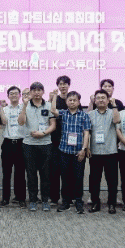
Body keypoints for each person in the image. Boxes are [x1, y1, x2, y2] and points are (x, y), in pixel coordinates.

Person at [18, 82, 56, 211]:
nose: (37, 92)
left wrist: (43, 133)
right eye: (34, 90)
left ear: (43, 92)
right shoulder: (24, 105)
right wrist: (24, 105)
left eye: (39, 90)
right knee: (31, 174)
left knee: (46, 174)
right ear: (30, 92)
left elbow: (53, 125)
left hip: (45, 144)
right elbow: (21, 122)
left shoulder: (49, 105)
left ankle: (45, 200)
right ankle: (33, 200)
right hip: (29, 144)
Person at [51, 91, 91, 214]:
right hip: (64, 151)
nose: (72, 102)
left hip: (78, 152)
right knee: (65, 178)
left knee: (78, 178)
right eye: (70, 100)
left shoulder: (84, 115)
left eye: (75, 100)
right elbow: (53, 110)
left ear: (79, 102)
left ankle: (78, 202)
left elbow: (86, 133)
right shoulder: (63, 113)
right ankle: (66, 202)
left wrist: (84, 149)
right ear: (66, 102)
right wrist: (54, 97)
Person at [87, 90, 121, 214]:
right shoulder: (90, 114)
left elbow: (117, 121)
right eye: (98, 98)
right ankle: (95, 203)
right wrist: (87, 147)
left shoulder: (113, 112)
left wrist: (114, 105)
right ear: (95, 100)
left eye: (103, 98)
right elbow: (86, 132)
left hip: (110, 151)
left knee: (112, 180)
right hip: (95, 152)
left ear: (108, 100)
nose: (101, 100)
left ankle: (112, 203)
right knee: (94, 180)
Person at [0, 86, 27, 208]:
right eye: (11, 93)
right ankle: (5, 199)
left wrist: (25, 105)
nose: (14, 95)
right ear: (8, 96)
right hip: (7, 143)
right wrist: (1, 108)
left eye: (16, 93)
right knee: (6, 173)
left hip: (21, 143)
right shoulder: (4, 109)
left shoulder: (24, 107)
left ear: (20, 95)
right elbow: (4, 122)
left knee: (20, 173)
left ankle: (21, 198)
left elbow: (23, 121)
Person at [48, 75, 70, 205]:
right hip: (55, 139)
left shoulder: (73, 98)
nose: (63, 86)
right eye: (60, 84)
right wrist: (52, 98)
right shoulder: (54, 99)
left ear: (68, 85)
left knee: (68, 171)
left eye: (65, 84)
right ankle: (54, 197)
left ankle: (68, 197)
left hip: (69, 141)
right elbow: (50, 112)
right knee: (54, 170)